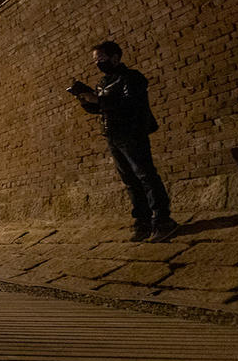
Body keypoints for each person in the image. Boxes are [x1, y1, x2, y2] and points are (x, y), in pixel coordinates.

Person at [75, 40, 178, 242]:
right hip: (112, 135)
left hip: (132, 133)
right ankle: (143, 221)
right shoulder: (103, 83)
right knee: (130, 181)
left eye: (101, 59)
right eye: (95, 60)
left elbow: (130, 103)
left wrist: (100, 100)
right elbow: (103, 109)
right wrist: (87, 103)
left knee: (145, 175)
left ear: (115, 57)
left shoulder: (132, 78)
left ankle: (163, 220)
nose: (98, 63)